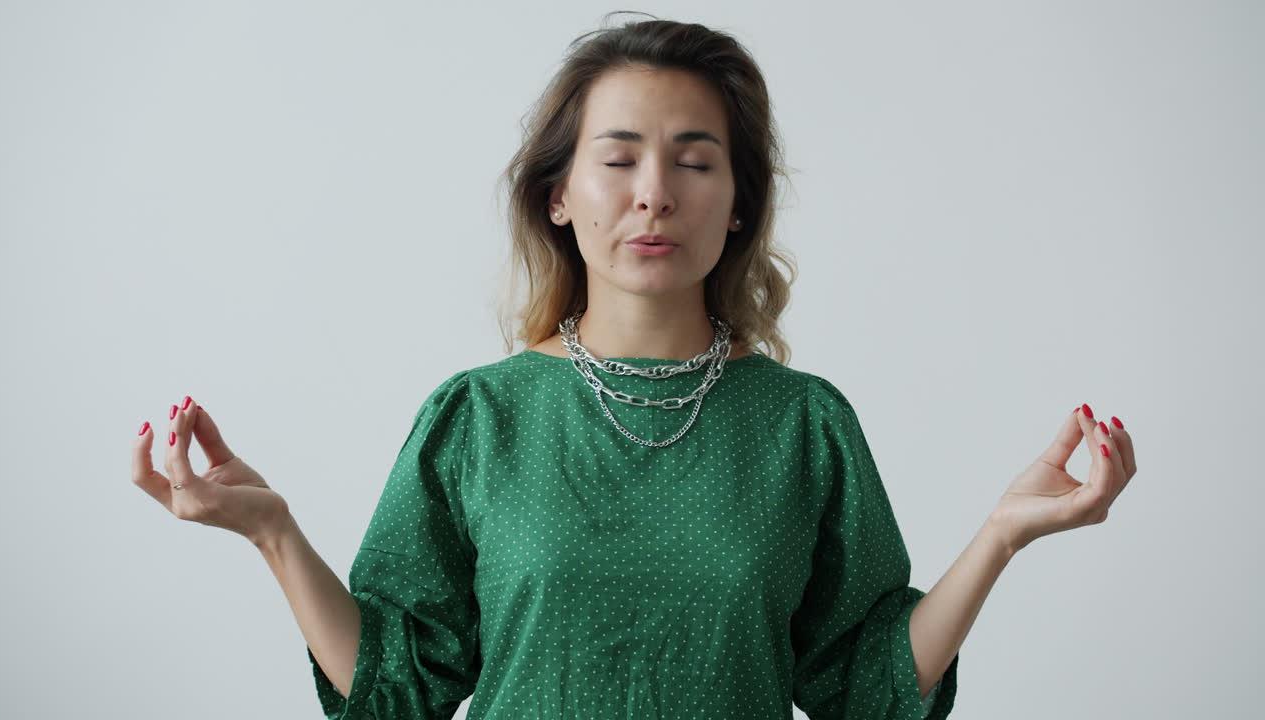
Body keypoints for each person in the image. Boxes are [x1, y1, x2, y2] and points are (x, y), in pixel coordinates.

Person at [130, 12, 1139, 720]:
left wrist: (1001, 538)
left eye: (695, 160)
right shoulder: (476, 418)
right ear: (559, 195)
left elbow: (866, 692)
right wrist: (270, 533)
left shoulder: (804, 425)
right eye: (617, 158)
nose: (653, 193)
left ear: (736, 202)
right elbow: (396, 692)